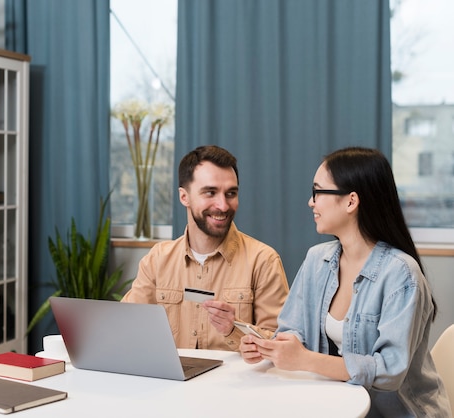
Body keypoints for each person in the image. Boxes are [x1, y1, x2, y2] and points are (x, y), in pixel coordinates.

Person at [240, 147, 451, 416]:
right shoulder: (317, 260)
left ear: (351, 202)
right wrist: (269, 347)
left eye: (318, 192)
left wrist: (305, 360)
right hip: (334, 404)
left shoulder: (401, 274)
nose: (311, 202)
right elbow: (292, 329)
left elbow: (389, 370)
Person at [122, 145, 289, 351]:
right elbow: (126, 325)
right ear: (184, 197)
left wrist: (233, 330)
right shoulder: (157, 259)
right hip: (172, 381)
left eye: (231, 193)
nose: (223, 205)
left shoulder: (263, 260)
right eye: (210, 192)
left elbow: (279, 342)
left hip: (236, 383)